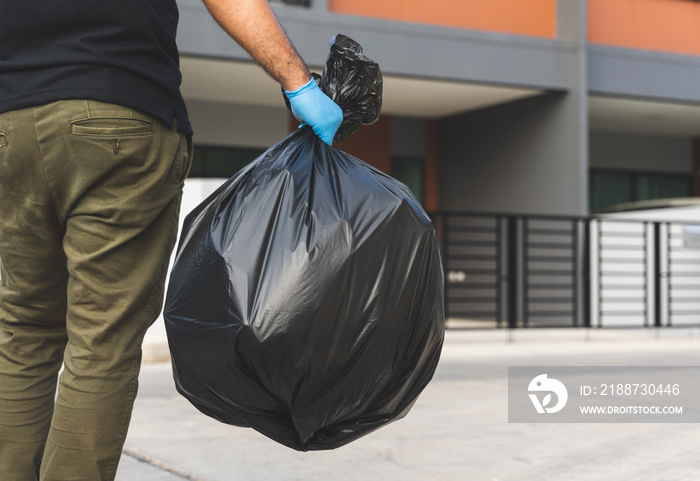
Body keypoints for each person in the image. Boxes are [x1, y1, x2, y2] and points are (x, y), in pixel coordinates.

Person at [0, 1, 343, 480]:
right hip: (117, 109)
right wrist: (297, 82)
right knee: (102, 339)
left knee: (22, 334)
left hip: (9, 119)